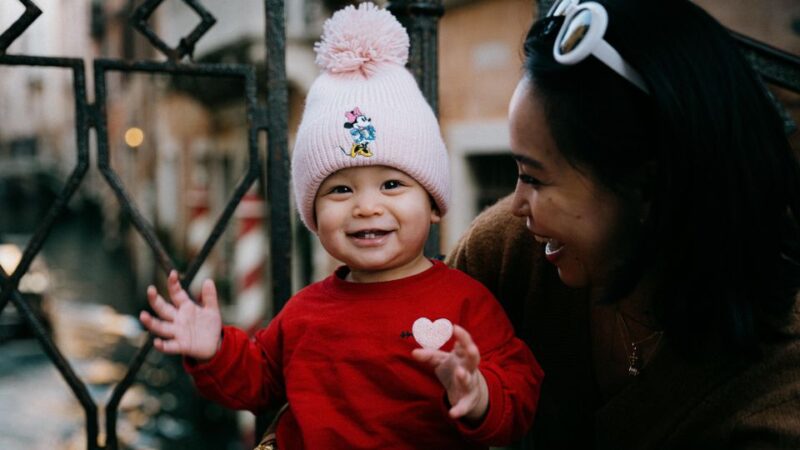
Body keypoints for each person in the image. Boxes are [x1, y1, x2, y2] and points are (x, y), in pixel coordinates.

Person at [139, 3, 542, 449]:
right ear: (313, 216)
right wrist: (214, 349)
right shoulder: (303, 313)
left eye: (391, 184)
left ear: (433, 204)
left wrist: (479, 394)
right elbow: (256, 382)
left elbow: (520, 392)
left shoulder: (467, 302)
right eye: (341, 191)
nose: (366, 207)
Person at [447, 0, 800, 448]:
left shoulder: (775, 382)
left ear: (648, 185)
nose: (516, 204)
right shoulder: (507, 253)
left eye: (534, 177)